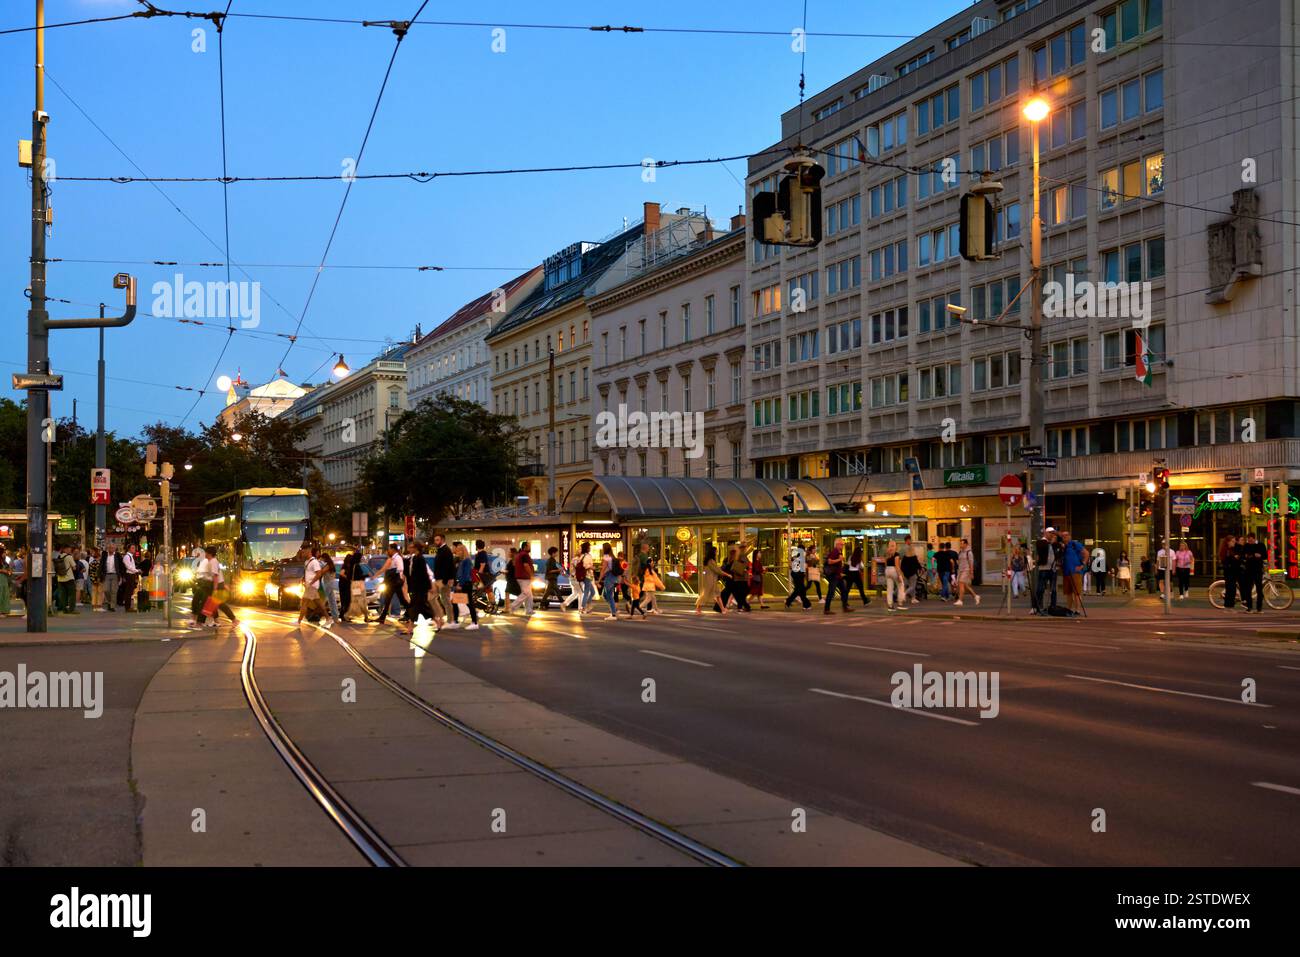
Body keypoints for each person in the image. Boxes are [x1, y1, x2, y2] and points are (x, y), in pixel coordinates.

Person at [375, 542, 406, 625]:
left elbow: (400, 569)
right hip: (392, 581)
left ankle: (411, 614)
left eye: (389, 549)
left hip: (395, 581)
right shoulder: (393, 558)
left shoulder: (397, 558)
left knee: (400, 599)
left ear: (392, 549)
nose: (388, 550)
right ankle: (382, 617)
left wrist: (399, 579)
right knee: (388, 599)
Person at [193, 545, 221, 626]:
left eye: (206, 552)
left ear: (210, 553)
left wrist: (215, 589)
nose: (205, 554)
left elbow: (215, 576)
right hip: (207, 584)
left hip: (210, 585)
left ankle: (199, 622)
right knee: (207, 603)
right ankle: (215, 620)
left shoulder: (213, 562)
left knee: (205, 604)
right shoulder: (209, 561)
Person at [432, 533, 456, 625]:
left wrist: (446, 580)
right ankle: (440, 618)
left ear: (442, 540)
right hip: (439, 579)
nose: (436, 542)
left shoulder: (446, 550)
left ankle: (450, 621)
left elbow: (449, 566)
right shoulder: (441, 550)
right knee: (436, 598)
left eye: (437, 540)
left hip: (443, 580)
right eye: (435, 540)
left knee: (445, 600)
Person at [563, 541, 595, 613]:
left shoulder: (582, 556)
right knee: (585, 592)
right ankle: (583, 607)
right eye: (589, 547)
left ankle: (586, 605)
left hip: (586, 576)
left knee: (592, 592)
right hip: (587, 575)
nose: (590, 548)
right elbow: (585, 566)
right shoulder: (587, 556)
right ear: (587, 548)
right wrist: (591, 567)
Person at [1239, 532, 1267, 614]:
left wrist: (1260, 555)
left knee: (1259, 589)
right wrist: (1250, 556)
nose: (1249, 541)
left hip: (1258, 570)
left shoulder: (1261, 545)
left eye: (1251, 540)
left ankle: (1259, 608)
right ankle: (1249, 608)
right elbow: (1243, 555)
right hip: (1248, 570)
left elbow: (1265, 555)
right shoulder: (1246, 546)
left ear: (1254, 539)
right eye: (1248, 540)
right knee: (1248, 589)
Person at [1033, 530, 1059, 613]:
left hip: (1053, 569)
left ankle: (1053, 606)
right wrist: (1052, 542)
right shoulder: (1041, 542)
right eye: (1050, 533)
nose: (1051, 535)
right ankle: (1038, 606)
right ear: (1045, 533)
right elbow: (1042, 547)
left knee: (1053, 589)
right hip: (1044, 569)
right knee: (1040, 589)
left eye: (1052, 533)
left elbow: (1059, 552)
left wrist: (1056, 543)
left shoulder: (1054, 544)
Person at [1059, 531, 1085, 614]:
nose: (1064, 537)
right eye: (1063, 536)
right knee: (1068, 592)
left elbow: (1086, 553)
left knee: (1077, 592)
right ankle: (1069, 609)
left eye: (1066, 535)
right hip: (1066, 572)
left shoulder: (1074, 544)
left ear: (1070, 536)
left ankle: (1077, 610)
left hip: (1075, 572)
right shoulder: (1063, 547)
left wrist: (1082, 565)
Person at [696, 543, 725, 615]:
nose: (717, 553)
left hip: (713, 580)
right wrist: (727, 574)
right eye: (716, 551)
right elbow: (717, 570)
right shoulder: (710, 561)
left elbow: (717, 570)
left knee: (718, 594)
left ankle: (723, 609)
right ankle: (698, 608)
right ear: (713, 552)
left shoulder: (711, 560)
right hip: (709, 580)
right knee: (705, 595)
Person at [821, 537, 848, 615]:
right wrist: (839, 560)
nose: (842, 546)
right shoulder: (835, 551)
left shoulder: (839, 552)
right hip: (834, 576)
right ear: (837, 544)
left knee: (844, 590)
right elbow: (829, 561)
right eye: (841, 544)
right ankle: (826, 609)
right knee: (831, 592)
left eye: (843, 544)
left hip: (838, 576)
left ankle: (845, 607)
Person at [509, 542, 536, 616]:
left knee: (529, 594)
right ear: (525, 547)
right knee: (526, 593)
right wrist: (531, 575)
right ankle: (513, 606)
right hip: (524, 577)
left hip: (521, 576)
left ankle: (529, 610)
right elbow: (526, 565)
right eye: (529, 546)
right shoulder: (524, 555)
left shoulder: (519, 554)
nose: (530, 548)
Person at [953, 538, 981, 607]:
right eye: (960, 543)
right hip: (960, 570)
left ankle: (960, 600)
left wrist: (971, 573)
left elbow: (971, 563)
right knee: (965, 586)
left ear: (966, 544)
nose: (961, 545)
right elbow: (959, 562)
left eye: (962, 543)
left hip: (966, 570)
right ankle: (975, 596)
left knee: (961, 583)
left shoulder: (969, 552)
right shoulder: (960, 552)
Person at [724, 547, 752, 613]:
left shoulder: (729, 559)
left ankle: (741, 606)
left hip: (734, 579)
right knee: (741, 593)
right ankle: (744, 606)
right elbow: (746, 566)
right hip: (737, 579)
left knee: (738, 594)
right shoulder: (739, 557)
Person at [785, 539, 811, 610]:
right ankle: (806, 604)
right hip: (799, 575)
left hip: (795, 574)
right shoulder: (801, 557)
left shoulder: (795, 556)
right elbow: (803, 567)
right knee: (800, 590)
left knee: (799, 590)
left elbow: (791, 566)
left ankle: (789, 602)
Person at [599, 542, 622, 620]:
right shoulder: (612, 556)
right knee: (606, 595)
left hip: (609, 577)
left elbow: (603, 570)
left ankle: (613, 614)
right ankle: (614, 610)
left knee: (608, 595)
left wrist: (599, 580)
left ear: (604, 549)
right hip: (613, 576)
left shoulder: (606, 557)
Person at [1218, 536, 1240, 611]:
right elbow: (1228, 562)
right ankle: (1229, 606)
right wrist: (1235, 558)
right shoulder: (1227, 551)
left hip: (1230, 572)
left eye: (1234, 541)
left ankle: (1229, 606)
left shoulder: (1229, 550)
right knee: (1231, 589)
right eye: (1233, 541)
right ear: (1228, 542)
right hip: (1230, 572)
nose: (1234, 543)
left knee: (1231, 589)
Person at [900, 538, 922, 608]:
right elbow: (917, 564)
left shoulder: (904, 557)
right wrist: (920, 568)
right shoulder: (914, 557)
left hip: (906, 574)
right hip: (912, 573)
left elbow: (902, 566)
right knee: (912, 586)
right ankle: (904, 594)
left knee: (909, 585)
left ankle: (913, 598)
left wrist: (903, 572)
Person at [118, 546, 140, 612]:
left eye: (134, 548)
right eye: (132, 548)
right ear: (129, 549)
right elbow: (129, 567)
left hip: (132, 575)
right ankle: (127, 607)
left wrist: (136, 571)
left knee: (130, 591)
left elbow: (131, 566)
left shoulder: (130, 556)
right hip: (129, 575)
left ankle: (128, 607)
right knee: (128, 591)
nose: (134, 549)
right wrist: (137, 570)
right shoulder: (127, 557)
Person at [882, 540, 901, 610]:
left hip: (887, 570)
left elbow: (885, 564)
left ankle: (890, 605)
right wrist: (899, 575)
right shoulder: (896, 554)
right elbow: (897, 565)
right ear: (896, 546)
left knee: (889, 589)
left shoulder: (887, 554)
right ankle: (900, 602)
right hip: (893, 570)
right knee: (900, 585)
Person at [0, 544, 11, 617]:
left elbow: (8, 568)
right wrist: (5, 571)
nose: (4, 554)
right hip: (1, 579)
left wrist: (9, 571)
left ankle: (3, 611)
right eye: (3, 553)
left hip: (4, 579)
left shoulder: (4, 561)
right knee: (1, 594)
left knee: (4, 594)